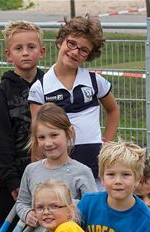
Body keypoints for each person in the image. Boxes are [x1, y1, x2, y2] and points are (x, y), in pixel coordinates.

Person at [28, 16, 120, 182]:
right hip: (58, 171)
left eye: (83, 50)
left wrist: (108, 145)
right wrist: (37, 173)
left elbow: (113, 110)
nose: (75, 51)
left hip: (94, 168)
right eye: (71, 43)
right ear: (60, 42)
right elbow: (37, 133)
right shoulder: (40, 88)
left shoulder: (95, 81)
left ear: (89, 55)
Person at [0, 20, 46, 232]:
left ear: (42, 51)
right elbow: (0, 141)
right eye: (18, 48)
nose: (25, 53)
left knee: (45, 229)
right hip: (13, 179)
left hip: (47, 175)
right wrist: (12, 182)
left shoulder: (50, 84)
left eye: (31, 47)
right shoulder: (2, 92)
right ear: (8, 55)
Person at [16, 103, 97, 232]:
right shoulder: (32, 170)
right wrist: (28, 214)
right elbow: (21, 202)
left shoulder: (82, 172)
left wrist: (64, 209)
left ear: (69, 133)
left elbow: (93, 211)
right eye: (42, 137)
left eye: (54, 135)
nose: (48, 143)